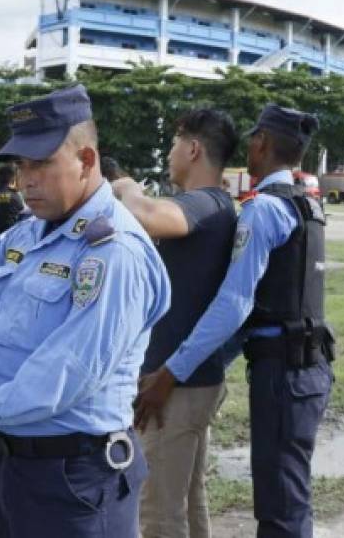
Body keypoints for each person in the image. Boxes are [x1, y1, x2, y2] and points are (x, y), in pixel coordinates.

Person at [0, 85, 171, 538]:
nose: (26, 180)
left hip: (77, 477)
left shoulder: (113, 252)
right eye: (21, 165)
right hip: (17, 462)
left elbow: (62, 378)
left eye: (41, 163)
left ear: (86, 161)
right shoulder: (29, 235)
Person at [137, 104, 334, 538]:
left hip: (284, 371)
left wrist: (172, 372)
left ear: (261, 143)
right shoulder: (305, 204)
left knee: (280, 506)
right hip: (303, 365)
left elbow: (235, 304)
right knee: (276, 497)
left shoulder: (263, 209)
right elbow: (263, 305)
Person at [111, 108, 239, 538]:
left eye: (172, 144)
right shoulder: (218, 204)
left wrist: (125, 184)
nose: (169, 154)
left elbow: (145, 213)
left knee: (159, 512)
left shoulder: (204, 203)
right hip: (190, 379)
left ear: (193, 148)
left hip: (177, 386)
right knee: (186, 500)